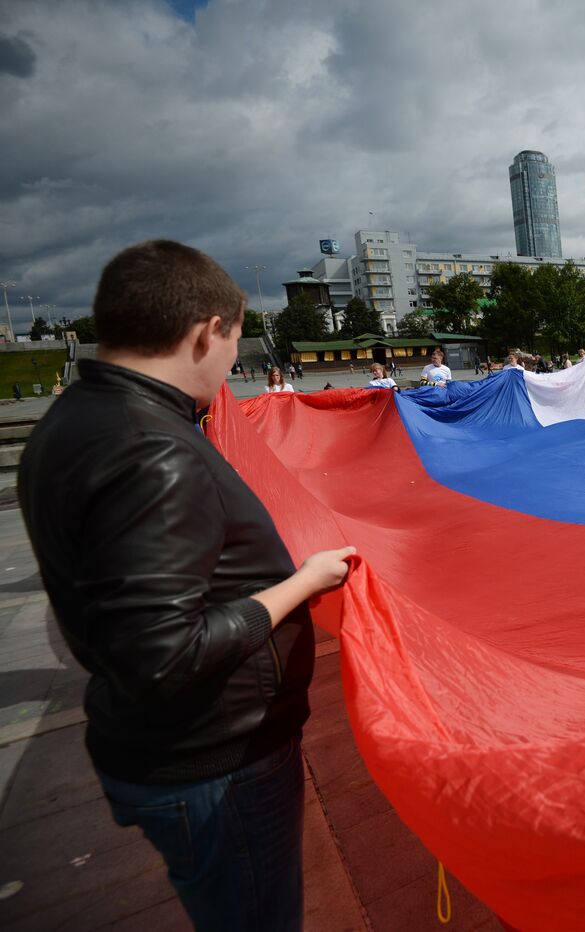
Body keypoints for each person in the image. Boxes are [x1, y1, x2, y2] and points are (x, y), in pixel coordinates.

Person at [17, 239, 354, 931]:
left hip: (173, 753)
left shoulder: (79, 420)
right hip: (211, 765)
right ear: (208, 332)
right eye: (234, 343)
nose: (233, 366)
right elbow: (161, 655)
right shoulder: (150, 449)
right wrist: (302, 584)